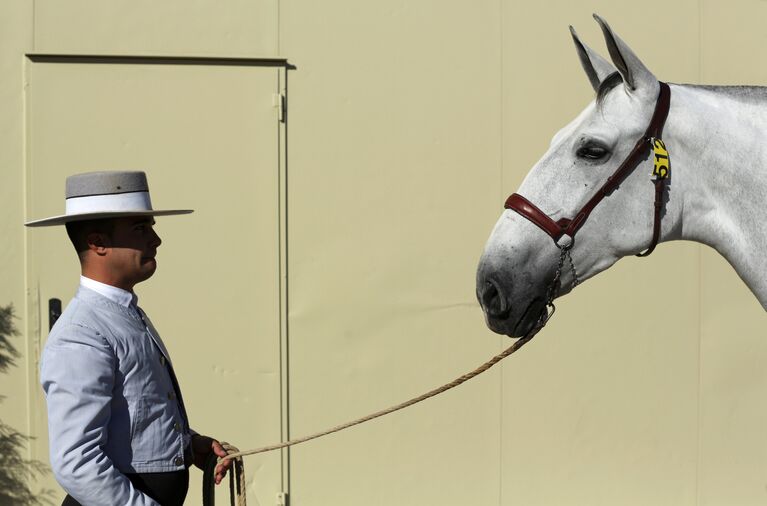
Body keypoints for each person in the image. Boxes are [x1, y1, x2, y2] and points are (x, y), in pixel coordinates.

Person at [25, 171, 232, 505]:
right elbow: (76, 461)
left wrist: (186, 443)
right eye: (140, 228)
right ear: (98, 243)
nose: (156, 239)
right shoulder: (82, 334)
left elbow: (135, 411)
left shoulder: (122, 314)